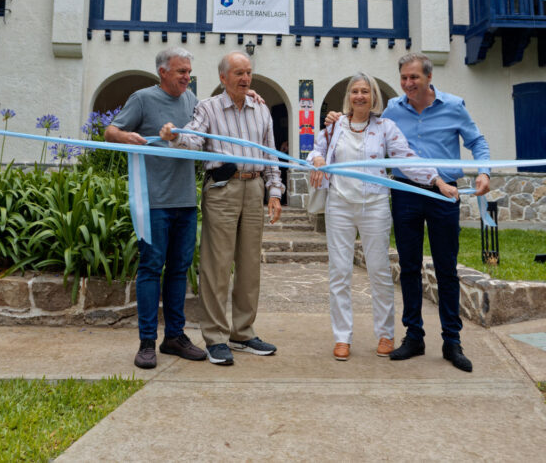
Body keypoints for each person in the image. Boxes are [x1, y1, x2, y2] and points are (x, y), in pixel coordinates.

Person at [160, 51, 284, 366]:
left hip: (254, 187)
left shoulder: (261, 109)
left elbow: (270, 154)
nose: (245, 79)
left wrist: (275, 191)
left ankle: (243, 333)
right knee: (217, 267)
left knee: (249, 265)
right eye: (238, 73)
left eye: (248, 73)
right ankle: (215, 337)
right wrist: (175, 137)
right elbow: (192, 140)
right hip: (222, 189)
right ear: (223, 78)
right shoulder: (208, 108)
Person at [308, 73, 441, 361]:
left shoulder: (385, 127)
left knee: (379, 271)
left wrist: (436, 181)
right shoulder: (335, 127)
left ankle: (385, 334)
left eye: (365, 91)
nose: (359, 96)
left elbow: (406, 158)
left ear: (373, 97)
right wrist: (318, 161)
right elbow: (316, 152)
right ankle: (342, 337)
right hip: (340, 206)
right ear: (348, 96)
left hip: (375, 206)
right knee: (339, 273)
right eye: (355, 91)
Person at [382, 53, 490, 372]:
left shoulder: (454, 106)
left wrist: (483, 171)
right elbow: (364, 128)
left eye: (413, 77)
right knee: (410, 266)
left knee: (446, 269)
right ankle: (414, 336)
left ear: (429, 77)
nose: (407, 83)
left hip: (446, 195)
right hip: (405, 193)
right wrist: (335, 118)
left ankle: (452, 341)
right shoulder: (391, 109)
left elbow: (477, 142)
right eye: (403, 77)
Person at [104, 47, 208, 369]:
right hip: (154, 202)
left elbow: (213, 120)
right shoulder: (142, 98)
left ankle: (174, 337)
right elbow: (109, 131)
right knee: (151, 268)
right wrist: (125, 137)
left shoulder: (192, 100)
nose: (187, 78)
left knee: (179, 270)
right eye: (181, 72)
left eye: (189, 72)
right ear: (163, 72)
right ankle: (147, 342)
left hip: (186, 201)